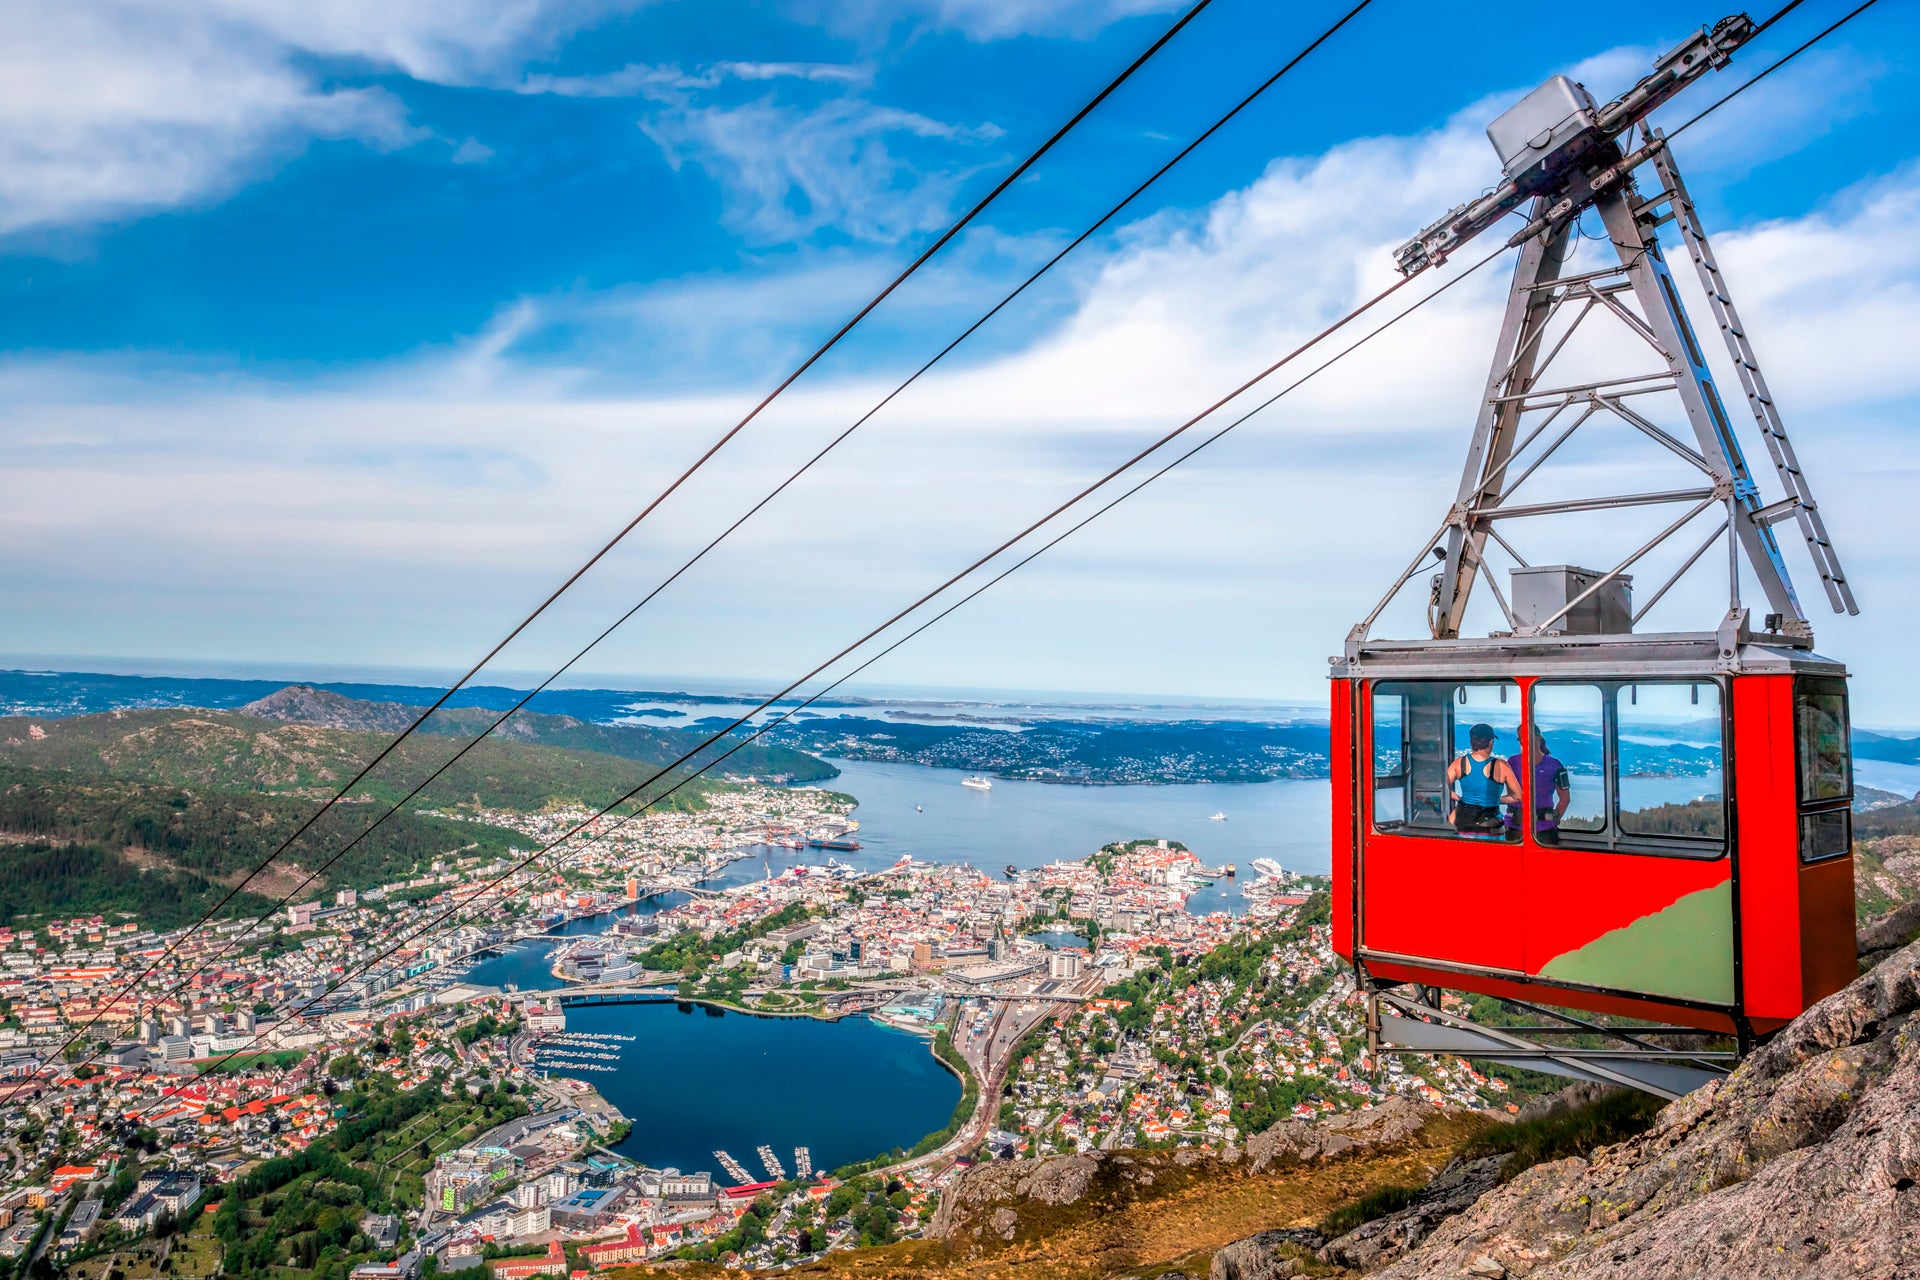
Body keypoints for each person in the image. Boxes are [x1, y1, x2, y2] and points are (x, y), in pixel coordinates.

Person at [1449, 722, 1520, 835]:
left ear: (1471, 742)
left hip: (1463, 823)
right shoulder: (1501, 765)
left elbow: (1442, 787)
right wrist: (1494, 799)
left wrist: (1459, 798)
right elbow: (1518, 796)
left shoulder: (1459, 763)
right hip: (1491, 826)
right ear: (1491, 742)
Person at [1508, 726, 1573, 844]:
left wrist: (1553, 820)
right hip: (1515, 827)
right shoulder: (1512, 762)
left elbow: (1565, 798)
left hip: (1544, 830)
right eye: (1520, 739)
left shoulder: (1555, 765)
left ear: (1539, 736)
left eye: (1527, 736)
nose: (1524, 741)